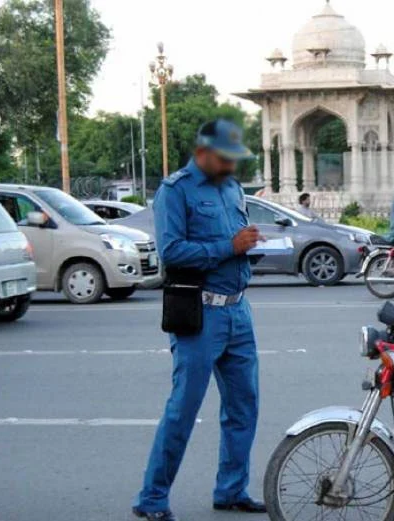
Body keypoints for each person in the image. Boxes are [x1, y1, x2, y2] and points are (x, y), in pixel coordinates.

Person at [132, 120, 266, 521]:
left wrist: (248, 245)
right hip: (200, 314)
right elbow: (171, 252)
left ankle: (231, 490)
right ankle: (152, 499)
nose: (231, 165)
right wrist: (229, 246)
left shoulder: (231, 187)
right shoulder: (175, 190)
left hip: (238, 310)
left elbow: (234, 242)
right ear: (203, 151)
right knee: (183, 409)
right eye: (225, 158)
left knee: (244, 406)